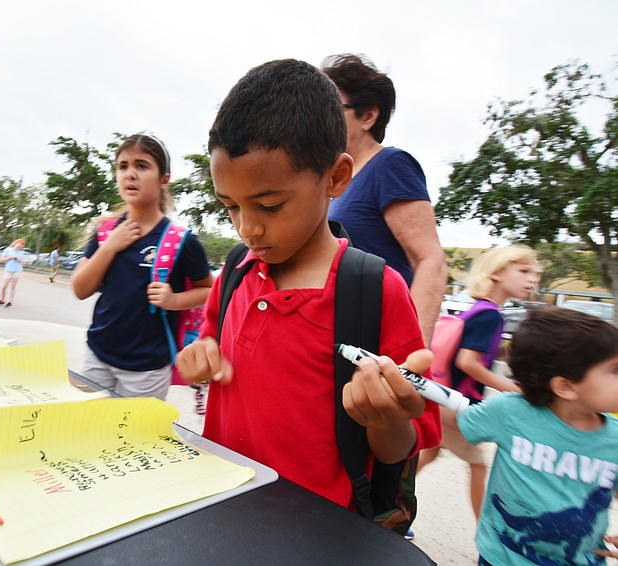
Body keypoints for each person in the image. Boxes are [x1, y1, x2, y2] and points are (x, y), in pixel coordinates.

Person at [176, 59, 441, 510]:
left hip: (317, 533)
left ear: (336, 177)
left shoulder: (376, 291)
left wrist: (385, 419)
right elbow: (211, 336)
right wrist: (200, 352)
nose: (247, 229)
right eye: (232, 207)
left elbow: (401, 446)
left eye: (270, 205)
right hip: (221, 505)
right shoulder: (237, 269)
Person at [451, 307, 618, 564]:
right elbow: (455, 420)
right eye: (615, 370)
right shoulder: (510, 411)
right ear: (566, 386)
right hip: (503, 558)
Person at [72, 133, 213, 401]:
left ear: (164, 179)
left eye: (142, 166)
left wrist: (173, 300)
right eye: (123, 166)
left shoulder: (182, 241)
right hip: (97, 355)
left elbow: (209, 289)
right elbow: (80, 289)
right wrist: (111, 247)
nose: (130, 174)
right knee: (88, 429)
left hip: (147, 369)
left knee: (133, 439)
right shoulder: (105, 232)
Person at [321, 54, 447, 347]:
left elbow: (430, 260)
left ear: (368, 116)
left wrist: (411, 355)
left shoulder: (390, 164)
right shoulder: (335, 179)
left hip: (380, 340)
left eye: (331, 108)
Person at [417, 246, 540, 520]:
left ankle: (389, 505)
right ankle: (485, 533)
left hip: (442, 396)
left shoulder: (479, 308)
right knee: (479, 465)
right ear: (496, 273)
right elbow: (467, 362)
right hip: (457, 403)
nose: (532, 279)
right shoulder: (490, 315)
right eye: (523, 271)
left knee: (429, 454)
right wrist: (515, 389)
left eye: (534, 274)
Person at [0, 238, 26, 307]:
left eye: (21, 246)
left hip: (17, 270)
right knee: (4, 286)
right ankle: (2, 300)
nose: (19, 247)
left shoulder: (21, 253)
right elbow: (1, 260)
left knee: (13, 287)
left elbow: (23, 264)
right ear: (15, 243)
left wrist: (20, 260)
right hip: (8, 270)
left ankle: (10, 301)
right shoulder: (8, 250)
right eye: (18, 245)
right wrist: (10, 258)